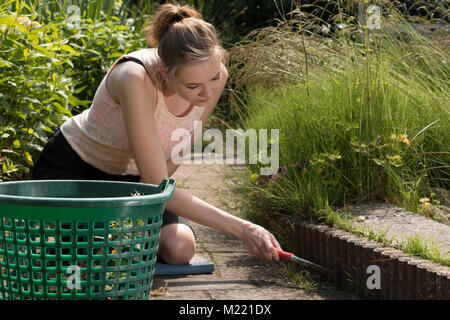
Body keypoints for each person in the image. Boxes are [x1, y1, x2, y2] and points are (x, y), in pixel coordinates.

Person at [32, 3, 281, 264]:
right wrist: (243, 228)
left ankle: (121, 240)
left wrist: (139, 206)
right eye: (193, 85)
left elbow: (173, 156)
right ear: (165, 73)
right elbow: (157, 184)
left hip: (132, 182)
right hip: (76, 169)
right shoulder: (134, 77)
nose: (207, 94)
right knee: (96, 250)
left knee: (180, 248)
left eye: (214, 78)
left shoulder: (214, 78)